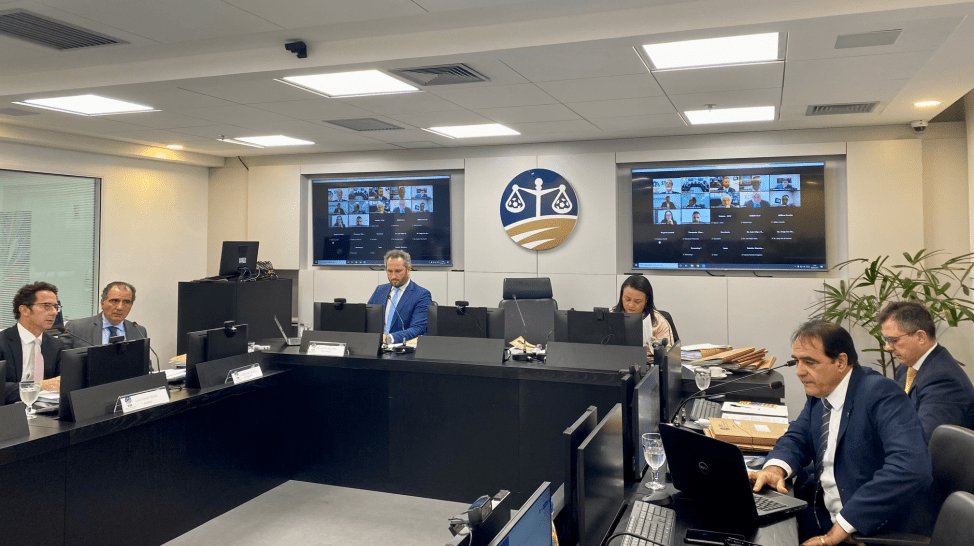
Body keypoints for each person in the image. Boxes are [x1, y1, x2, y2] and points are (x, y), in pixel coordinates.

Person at [750, 320, 935, 545]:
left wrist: (840, 529)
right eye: (797, 361)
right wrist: (775, 468)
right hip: (823, 515)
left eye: (809, 362)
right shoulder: (822, 390)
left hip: (867, 531)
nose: (799, 371)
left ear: (840, 362)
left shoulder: (881, 394)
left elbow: (911, 467)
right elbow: (799, 436)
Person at [879, 301, 974, 442]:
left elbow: (922, 440)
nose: (888, 347)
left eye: (893, 340)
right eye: (885, 339)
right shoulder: (907, 367)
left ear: (920, 337)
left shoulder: (943, 380)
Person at [1, 282, 64, 404]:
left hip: (46, 409)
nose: (54, 312)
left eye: (55, 306)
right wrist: (40, 385)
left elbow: (61, 383)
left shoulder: (55, 345)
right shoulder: (3, 342)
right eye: (46, 306)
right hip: (9, 410)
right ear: (24, 310)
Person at [367, 250, 432, 344]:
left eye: (398, 271)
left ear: (408, 269)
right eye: (389, 271)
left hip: (400, 347)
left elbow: (418, 328)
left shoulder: (421, 295)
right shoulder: (380, 290)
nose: (393, 276)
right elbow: (367, 319)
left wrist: (389, 338)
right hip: (374, 345)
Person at [63, 282, 147, 349]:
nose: (120, 307)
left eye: (126, 302)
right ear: (102, 303)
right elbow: (63, 362)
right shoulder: (76, 329)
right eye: (114, 301)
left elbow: (145, 363)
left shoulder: (139, 331)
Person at [612, 275, 673, 357]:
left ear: (646, 300)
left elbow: (669, 355)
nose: (631, 305)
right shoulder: (609, 317)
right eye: (627, 299)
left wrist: (656, 350)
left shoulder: (659, 322)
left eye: (637, 301)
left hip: (648, 363)